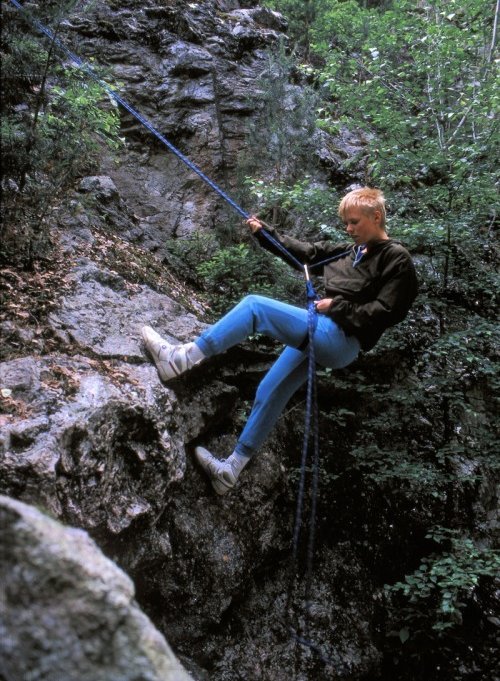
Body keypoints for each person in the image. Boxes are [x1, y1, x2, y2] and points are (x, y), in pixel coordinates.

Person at [142, 187, 419, 495]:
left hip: (341, 339)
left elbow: (387, 312)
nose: (348, 229)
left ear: (376, 216)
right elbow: (306, 253)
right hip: (323, 331)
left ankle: (181, 359)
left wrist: (336, 306)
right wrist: (265, 233)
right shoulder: (348, 251)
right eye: (345, 223)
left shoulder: (397, 259)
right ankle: (230, 471)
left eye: (354, 222)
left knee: (254, 307)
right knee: (270, 389)